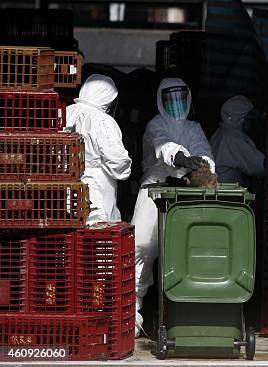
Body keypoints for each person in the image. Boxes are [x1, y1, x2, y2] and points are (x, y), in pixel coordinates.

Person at [131, 77, 215, 337]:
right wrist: (179, 157)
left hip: (185, 193)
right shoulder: (155, 124)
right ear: (160, 100)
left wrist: (200, 163)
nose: (177, 104)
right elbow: (162, 144)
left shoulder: (194, 127)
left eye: (181, 99)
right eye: (170, 99)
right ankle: (133, 314)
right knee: (142, 246)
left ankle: (183, 316)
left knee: (183, 251)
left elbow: (205, 153)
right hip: (153, 190)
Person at [65, 74, 132, 225]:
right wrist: (124, 171)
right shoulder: (102, 120)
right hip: (96, 188)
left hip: (65, 184)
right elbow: (117, 159)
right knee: (99, 235)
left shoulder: (67, 112)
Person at [210, 95, 265, 188]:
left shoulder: (222, 132)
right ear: (241, 118)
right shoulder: (233, 137)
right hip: (224, 194)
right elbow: (260, 167)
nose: (253, 124)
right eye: (250, 119)